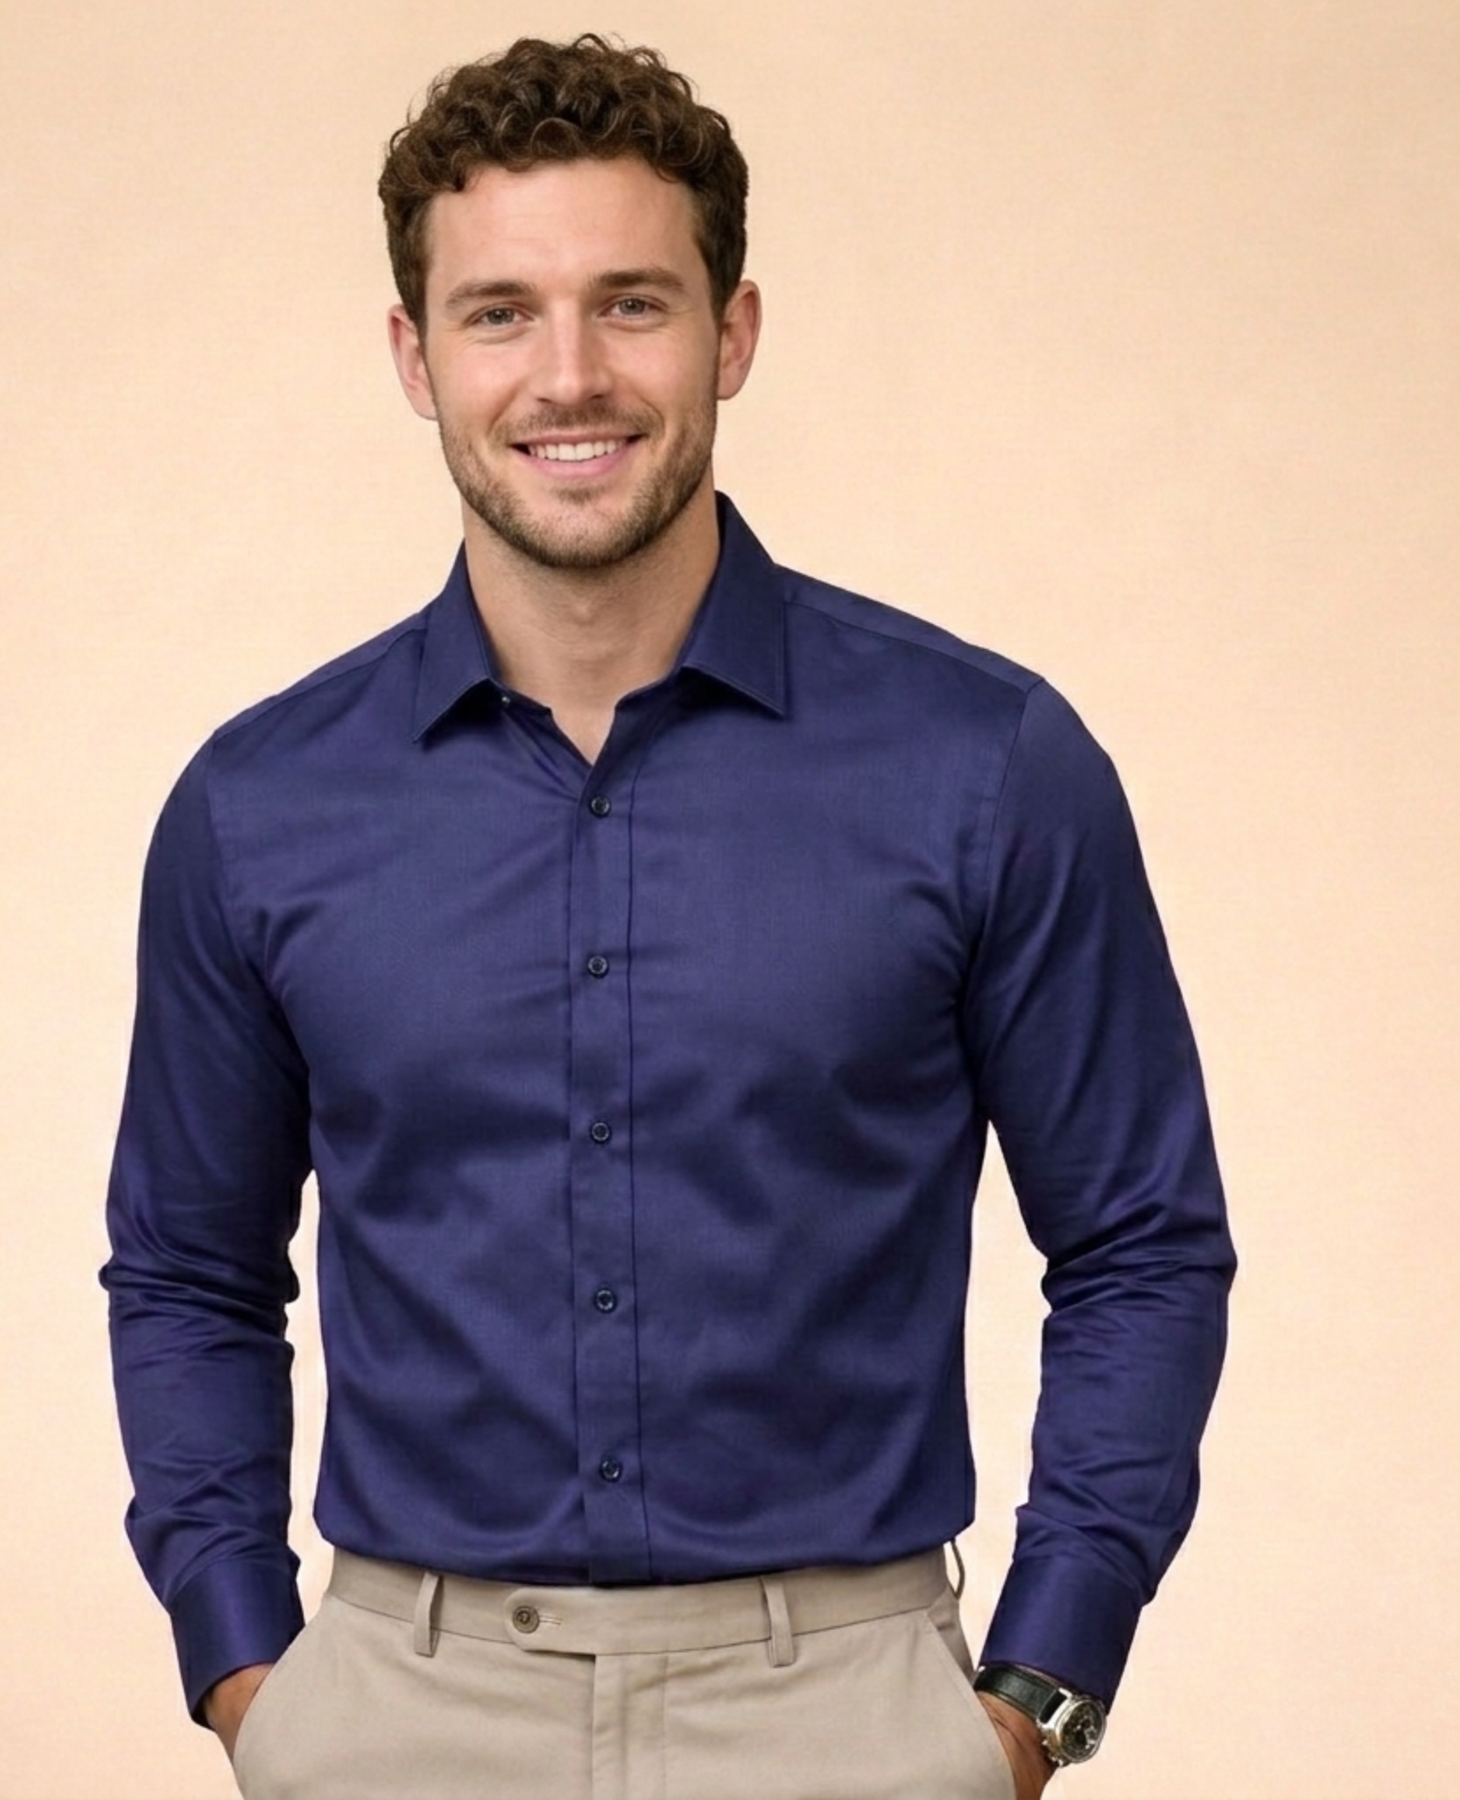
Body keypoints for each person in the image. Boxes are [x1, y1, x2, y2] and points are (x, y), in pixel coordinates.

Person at [103, 33, 1234, 1800]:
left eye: (632, 304)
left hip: (849, 1718)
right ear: (414, 356)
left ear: (734, 333)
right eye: (499, 313)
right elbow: (188, 1271)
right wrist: (251, 1673)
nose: (569, 376)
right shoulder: (259, 809)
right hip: (401, 1720)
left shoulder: (986, 765)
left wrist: (1038, 1695)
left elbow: (1141, 1243)